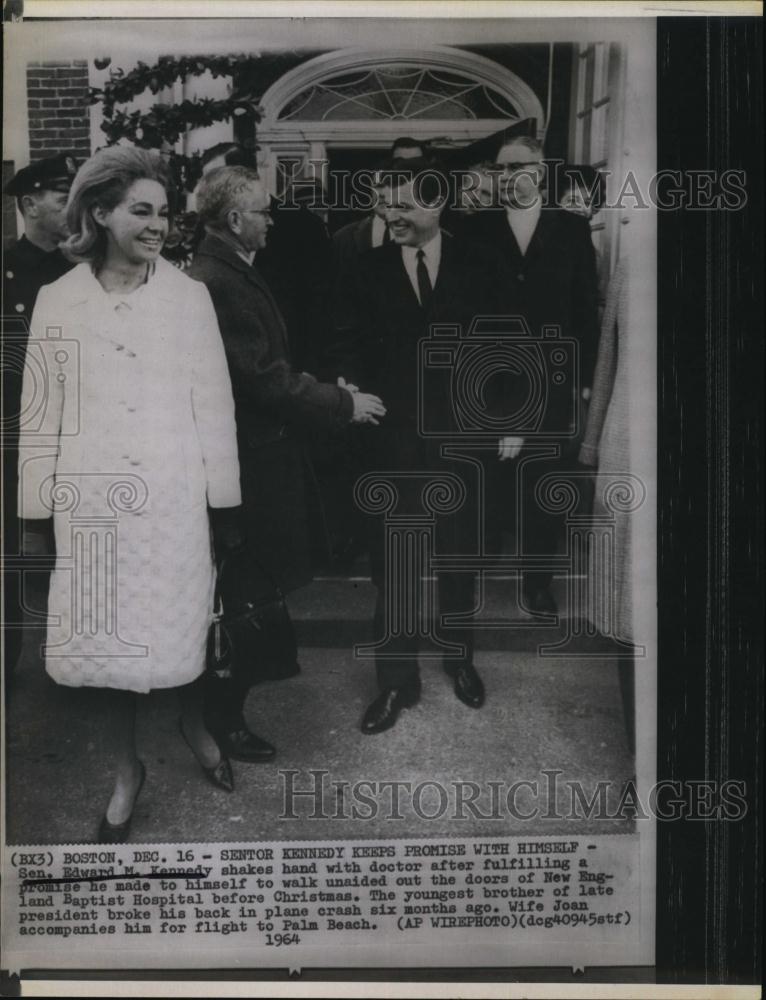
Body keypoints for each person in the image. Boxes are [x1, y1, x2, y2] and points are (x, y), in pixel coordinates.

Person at [17, 146, 244, 842]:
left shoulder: (188, 295)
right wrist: (34, 515)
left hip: (174, 500)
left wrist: (225, 506)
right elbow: (40, 414)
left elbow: (214, 405)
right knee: (107, 650)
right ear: (101, 213)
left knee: (181, 626)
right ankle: (126, 770)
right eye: (141, 211)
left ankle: (194, 722)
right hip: (92, 507)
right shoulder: (60, 301)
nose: (157, 226)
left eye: (165, 213)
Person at [188, 166, 385, 761]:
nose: (273, 220)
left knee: (255, 588)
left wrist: (324, 389)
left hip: (262, 455)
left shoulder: (228, 271)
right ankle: (223, 719)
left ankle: (229, 701)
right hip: (250, 463)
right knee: (247, 594)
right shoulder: (217, 280)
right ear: (234, 219)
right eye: (264, 211)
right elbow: (261, 379)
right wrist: (340, 401)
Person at [332, 158, 508, 734]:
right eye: (387, 203)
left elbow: (508, 346)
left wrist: (510, 422)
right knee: (397, 564)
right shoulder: (364, 268)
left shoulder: (483, 264)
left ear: (437, 205)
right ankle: (395, 682)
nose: (392, 213)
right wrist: (348, 385)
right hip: (393, 443)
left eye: (405, 203)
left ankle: (460, 662)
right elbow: (347, 341)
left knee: (458, 558)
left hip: (464, 441)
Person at [461, 135, 600, 616]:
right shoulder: (475, 229)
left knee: (544, 481)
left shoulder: (571, 230)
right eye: (499, 169)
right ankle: (483, 562)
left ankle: (538, 581)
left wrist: (584, 377)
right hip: (490, 377)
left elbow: (585, 308)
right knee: (490, 475)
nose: (506, 177)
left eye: (516, 166)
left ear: (539, 172)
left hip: (553, 377)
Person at [2, 155, 79, 678]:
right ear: (29, 204)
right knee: (12, 564)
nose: (70, 203)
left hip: (74, 435)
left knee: (77, 552)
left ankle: (75, 660)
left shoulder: (84, 273)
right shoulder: (5, 268)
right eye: (59, 193)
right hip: (12, 439)